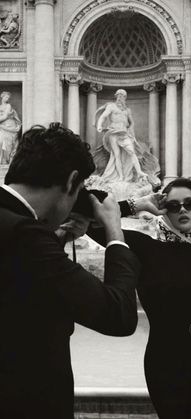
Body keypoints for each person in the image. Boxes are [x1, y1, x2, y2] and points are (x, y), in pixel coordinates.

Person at [0, 122, 140, 419]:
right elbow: (119, 315)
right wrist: (115, 233)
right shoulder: (26, 237)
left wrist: (58, 239)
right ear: (72, 181)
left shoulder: (18, 230)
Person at [66, 177, 191, 419]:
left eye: (190, 203)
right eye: (173, 205)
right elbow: (84, 213)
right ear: (164, 211)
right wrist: (139, 204)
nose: (183, 210)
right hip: (163, 360)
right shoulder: (143, 248)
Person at [94, 89, 148, 182]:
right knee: (117, 155)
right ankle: (121, 177)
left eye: (122, 96)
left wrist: (131, 132)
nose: (120, 98)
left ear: (125, 98)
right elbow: (103, 116)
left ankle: (139, 172)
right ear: (116, 97)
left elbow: (131, 122)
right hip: (113, 133)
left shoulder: (127, 110)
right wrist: (99, 125)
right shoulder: (111, 106)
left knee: (132, 152)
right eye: (118, 96)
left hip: (124, 134)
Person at [0, 91, 21, 164]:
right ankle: (2, 160)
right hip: (2, 127)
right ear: (2, 97)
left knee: (8, 143)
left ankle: (7, 160)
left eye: (8, 97)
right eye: (6, 97)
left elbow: (5, 116)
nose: (7, 98)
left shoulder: (8, 106)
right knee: (1, 142)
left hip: (10, 126)